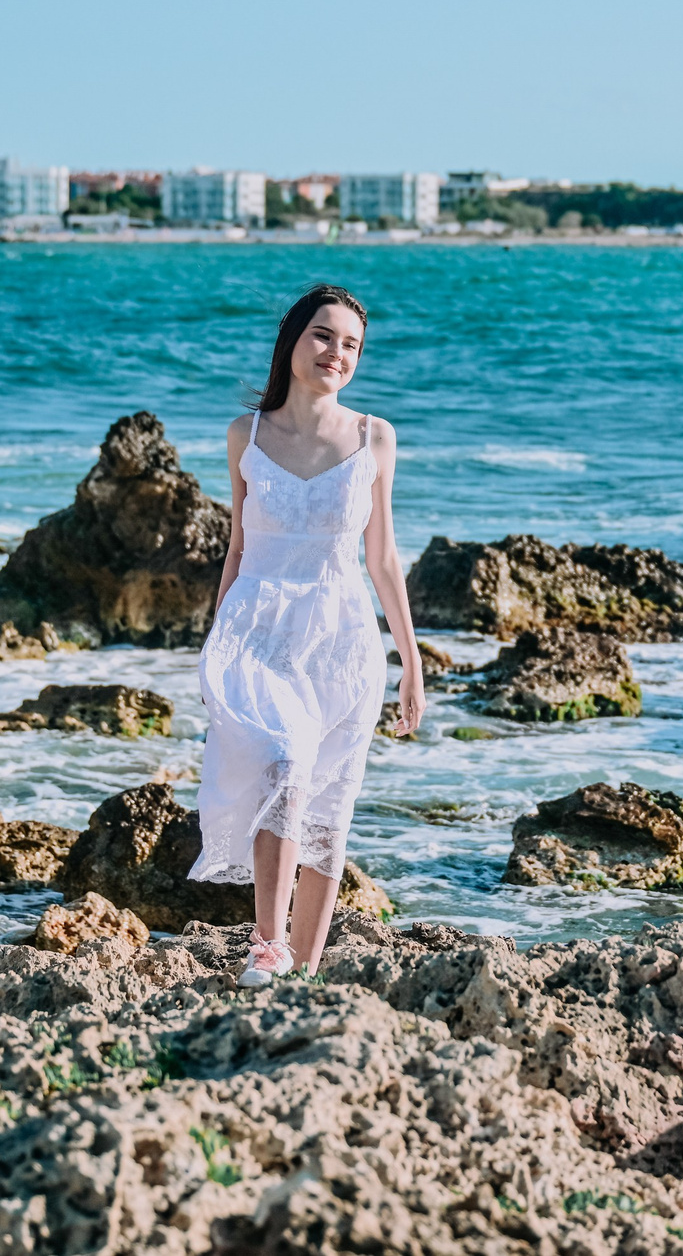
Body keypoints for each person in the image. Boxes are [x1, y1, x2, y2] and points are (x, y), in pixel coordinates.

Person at [191, 283, 422, 986]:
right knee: (286, 767)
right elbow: (237, 545)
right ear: (293, 339)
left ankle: (307, 968)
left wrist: (411, 661)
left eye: (351, 343)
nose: (337, 352)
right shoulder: (247, 434)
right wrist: (213, 645)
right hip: (257, 631)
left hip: (342, 636)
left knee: (329, 799)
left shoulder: (373, 436)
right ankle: (267, 946)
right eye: (324, 335)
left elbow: (381, 558)